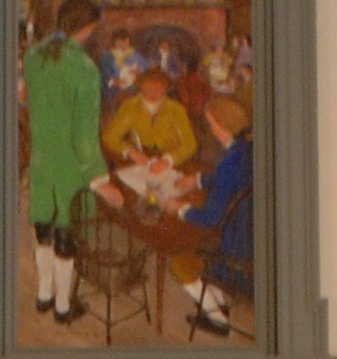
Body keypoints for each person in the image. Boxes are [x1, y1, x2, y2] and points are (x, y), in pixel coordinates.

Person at [21, 0, 108, 326]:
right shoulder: (85, 70)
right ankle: (61, 306)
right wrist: (102, 181)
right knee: (66, 236)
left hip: (41, 159)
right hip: (71, 165)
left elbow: (29, 102)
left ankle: (43, 294)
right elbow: (86, 139)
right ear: (87, 28)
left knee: (42, 227)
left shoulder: (32, 55)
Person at [175, 95, 252, 338]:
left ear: (223, 127)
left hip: (237, 257)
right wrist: (197, 179)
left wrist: (178, 208)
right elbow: (228, 180)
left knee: (180, 260)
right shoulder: (247, 148)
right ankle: (219, 303)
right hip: (252, 236)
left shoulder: (229, 162)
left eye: (212, 124)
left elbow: (210, 218)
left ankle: (218, 320)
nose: (210, 129)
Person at [101, 59, 198, 173]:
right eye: (148, 89)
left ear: (166, 89)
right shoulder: (130, 106)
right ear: (140, 88)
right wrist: (130, 152)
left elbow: (190, 144)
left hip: (173, 163)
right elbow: (110, 137)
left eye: (159, 90)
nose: (154, 94)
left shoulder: (176, 109)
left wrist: (168, 160)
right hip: (142, 161)